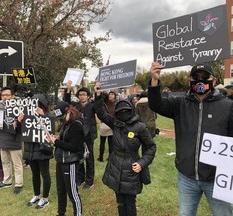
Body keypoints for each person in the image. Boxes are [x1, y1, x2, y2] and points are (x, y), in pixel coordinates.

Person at [148, 62, 233, 216]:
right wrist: (154, 80)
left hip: (216, 179)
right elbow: (156, 104)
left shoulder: (228, 107)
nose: (200, 80)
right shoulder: (180, 104)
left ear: (213, 81)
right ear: (189, 81)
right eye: (196, 77)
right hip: (186, 178)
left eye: (205, 77)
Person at [94, 82, 156, 216]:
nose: (123, 114)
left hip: (131, 168)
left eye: (126, 111)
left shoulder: (140, 127)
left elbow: (151, 147)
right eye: (120, 112)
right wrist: (98, 94)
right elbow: (101, 113)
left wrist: (142, 163)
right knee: (120, 202)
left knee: (130, 202)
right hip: (115, 166)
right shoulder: (115, 124)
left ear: (131, 111)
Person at [48, 101, 84, 216]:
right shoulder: (66, 123)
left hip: (70, 162)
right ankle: (61, 213)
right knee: (60, 190)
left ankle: (77, 214)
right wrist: (56, 138)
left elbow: (75, 147)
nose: (61, 120)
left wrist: (57, 142)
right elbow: (65, 139)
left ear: (69, 112)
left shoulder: (76, 125)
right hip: (60, 161)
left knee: (72, 193)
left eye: (63, 117)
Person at [20, 94, 53, 209]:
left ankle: (45, 198)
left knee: (45, 174)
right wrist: (20, 121)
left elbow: (51, 132)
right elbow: (22, 132)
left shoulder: (48, 116)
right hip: (30, 149)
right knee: (35, 174)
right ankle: (36, 195)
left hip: (42, 149)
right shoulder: (27, 116)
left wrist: (43, 117)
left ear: (42, 105)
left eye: (37, 104)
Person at [63, 80, 97, 189]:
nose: (82, 96)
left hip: (89, 136)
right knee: (79, 157)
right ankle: (80, 178)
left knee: (89, 158)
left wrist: (98, 92)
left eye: (84, 94)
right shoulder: (75, 106)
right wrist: (68, 89)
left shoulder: (92, 106)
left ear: (88, 96)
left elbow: (100, 106)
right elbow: (66, 103)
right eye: (80, 94)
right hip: (78, 135)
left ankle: (89, 181)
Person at [0, 87, 23, 195]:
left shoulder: (19, 108)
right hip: (2, 139)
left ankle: (18, 184)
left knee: (17, 164)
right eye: (3, 95)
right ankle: (7, 181)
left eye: (7, 95)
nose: (5, 97)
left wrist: (18, 122)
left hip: (14, 139)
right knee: (5, 162)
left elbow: (24, 127)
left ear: (13, 96)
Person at [97, 91, 116, 162]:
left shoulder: (114, 104)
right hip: (106, 124)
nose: (111, 95)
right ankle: (102, 156)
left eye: (112, 94)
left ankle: (105, 156)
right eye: (110, 94)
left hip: (109, 124)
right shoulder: (106, 103)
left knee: (109, 142)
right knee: (104, 142)